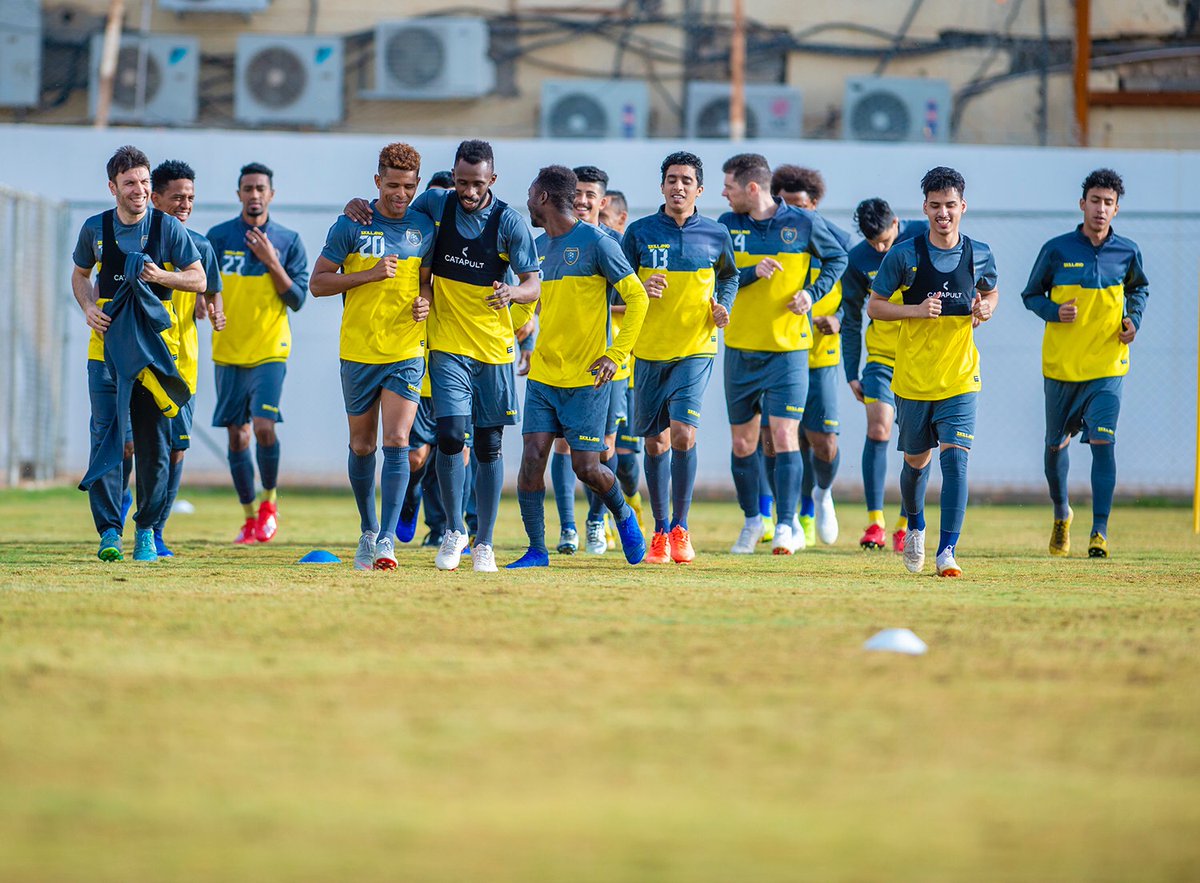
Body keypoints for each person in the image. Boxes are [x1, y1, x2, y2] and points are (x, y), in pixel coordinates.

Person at [369, 139, 539, 573]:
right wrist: (361, 205)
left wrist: (512, 292)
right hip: (447, 347)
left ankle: (484, 542)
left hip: (494, 351)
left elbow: (534, 284)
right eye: (461, 181)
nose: (467, 191)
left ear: (492, 180)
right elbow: (393, 208)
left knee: (489, 445)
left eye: (476, 184)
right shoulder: (436, 204)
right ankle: (452, 529)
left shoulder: (508, 223)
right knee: (449, 438)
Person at [507, 165, 649, 568]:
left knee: (586, 467)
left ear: (545, 198)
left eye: (531, 194)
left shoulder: (598, 243)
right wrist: (521, 333)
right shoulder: (534, 247)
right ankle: (537, 550)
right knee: (532, 458)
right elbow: (531, 307)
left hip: (588, 378)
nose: (528, 202)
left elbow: (637, 299)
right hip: (544, 376)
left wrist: (616, 353)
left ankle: (622, 513)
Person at [71, 145, 205, 562]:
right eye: (131, 183)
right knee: (107, 438)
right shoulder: (95, 229)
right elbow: (79, 275)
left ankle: (145, 530)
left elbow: (198, 279)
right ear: (113, 187)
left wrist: (160, 274)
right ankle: (109, 532)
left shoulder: (169, 229)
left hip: (152, 354)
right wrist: (89, 307)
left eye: (145, 182)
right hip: (105, 352)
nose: (140, 190)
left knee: (154, 446)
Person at [310, 142, 436, 571]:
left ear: (417, 185)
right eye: (392, 185)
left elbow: (426, 281)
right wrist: (367, 274)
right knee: (363, 445)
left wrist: (425, 301)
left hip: (404, 350)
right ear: (377, 181)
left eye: (407, 187)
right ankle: (367, 528)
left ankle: (386, 540)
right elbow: (318, 283)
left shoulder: (425, 226)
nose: (399, 195)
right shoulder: (352, 224)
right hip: (359, 351)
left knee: (398, 441)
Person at [868, 166, 998, 578]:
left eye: (951, 206)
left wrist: (986, 308)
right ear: (925, 208)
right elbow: (875, 306)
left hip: (960, 376)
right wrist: (916, 310)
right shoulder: (904, 255)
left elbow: (991, 292)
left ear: (963, 207)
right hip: (912, 378)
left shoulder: (980, 253)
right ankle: (916, 526)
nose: (944, 213)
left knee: (956, 461)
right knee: (915, 464)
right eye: (936, 206)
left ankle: (948, 552)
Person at [719, 155, 848, 555]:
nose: (724, 193)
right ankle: (753, 521)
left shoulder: (803, 222)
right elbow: (716, 276)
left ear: (752, 188)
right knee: (743, 444)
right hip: (740, 349)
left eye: (729, 187)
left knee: (785, 435)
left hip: (789, 351)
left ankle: (789, 524)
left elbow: (838, 258)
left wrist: (812, 294)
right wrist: (751, 271)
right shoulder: (726, 227)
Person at [1021, 168, 1148, 558]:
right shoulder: (1058, 249)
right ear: (1082, 204)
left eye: (1108, 203)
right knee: (1054, 449)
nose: (1101, 208)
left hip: (1108, 367)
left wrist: (1133, 322)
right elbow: (1030, 295)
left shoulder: (1127, 252)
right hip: (1061, 369)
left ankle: (1100, 532)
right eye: (1095, 200)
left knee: (1102, 442)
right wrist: (1053, 310)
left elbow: (1138, 289)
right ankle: (1062, 514)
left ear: (1116, 209)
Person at [622, 151, 739, 564]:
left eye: (686, 180)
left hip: (696, 348)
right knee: (655, 443)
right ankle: (658, 530)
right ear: (662, 186)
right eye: (671, 179)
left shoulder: (715, 233)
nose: (678, 186)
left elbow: (729, 275)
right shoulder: (637, 232)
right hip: (649, 351)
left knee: (684, 434)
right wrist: (638, 284)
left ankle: (681, 528)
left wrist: (723, 305)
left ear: (699, 189)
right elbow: (616, 284)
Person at [206, 162, 308, 546]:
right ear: (238, 194)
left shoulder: (288, 240)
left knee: (264, 428)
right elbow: (204, 284)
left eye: (260, 188)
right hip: (228, 350)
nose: (254, 195)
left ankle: (269, 504)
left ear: (271, 194)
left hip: (270, 348)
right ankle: (249, 517)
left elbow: (297, 299)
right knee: (237, 438)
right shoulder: (217, 237)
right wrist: (204, 303)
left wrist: (271, 261)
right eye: (247, 188)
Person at [769, 164, 853, 547]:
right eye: (782, 203)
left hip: (820, 356)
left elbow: (858, 299)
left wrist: (837, 318)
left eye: (799, 205)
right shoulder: (771, 233)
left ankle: (822, 493)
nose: (790, 212)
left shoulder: (838, 242)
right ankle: (793, 514)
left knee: (823, 441)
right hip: (782, 350)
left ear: (815, 204)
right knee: (780, 438)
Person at [148, 159, 226, 557]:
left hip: (183, 366)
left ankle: (156, 531)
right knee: (131, 446)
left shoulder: (201, 245)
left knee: (176, 449)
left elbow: (211, 289)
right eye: (177, 196)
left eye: (190, 197)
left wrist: (214, 309)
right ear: (155, 197)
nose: (185, 204)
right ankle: (124, 517)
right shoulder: (134, 240)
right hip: (141, 362)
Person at [841, 198, 927, 552]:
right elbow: (850, 318)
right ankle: (875, 521)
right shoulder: (859, 259)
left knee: (916, 439)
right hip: (880, 357)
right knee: (878, 427)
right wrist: (851, 371)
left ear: (897, 222)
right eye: (873, 242)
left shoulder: (925, 237)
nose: (880, 247)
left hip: (922, 356)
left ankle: (906, 523)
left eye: (885, 239)